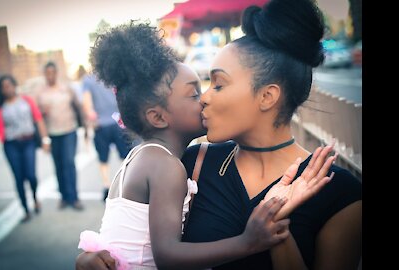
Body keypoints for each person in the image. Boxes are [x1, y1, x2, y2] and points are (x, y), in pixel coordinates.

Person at [75, 21, 336, 270]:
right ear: (157, 117)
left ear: (268, 96)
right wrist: (247, 242)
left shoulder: (143, 158)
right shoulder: (172, 166)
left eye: (217, 85)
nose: (205, 99)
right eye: (194, 94)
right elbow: (166, 255)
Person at [0, 74, 50, 222]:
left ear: (15, 86)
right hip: (11, 145)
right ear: (1, 90)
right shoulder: (0, 108)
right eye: (4, 87)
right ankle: (25, 209)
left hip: (28, 142)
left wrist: (45, 139)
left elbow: (38, 119)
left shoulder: (26, 100)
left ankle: (35, 198)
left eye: (9, 85)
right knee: (19, 178)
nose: (7, 89)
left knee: (31, 175)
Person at [34, 61, 84, 210]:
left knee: (69, 162)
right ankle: (64, 197)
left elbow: (78, 106)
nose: (50, 76)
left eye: (52, 72)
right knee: (58, 165)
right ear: (44, 75)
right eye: (47, 73)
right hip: (52, 134)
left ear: (56, 73)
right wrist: (43, 113)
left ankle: (74, 198)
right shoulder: (40, 92)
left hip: (69, 130)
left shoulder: (66, 88)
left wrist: (85, 125)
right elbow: (37, 115)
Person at [81, 72, 133, 201]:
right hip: (118, 122)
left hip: (101, 125)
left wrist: (91, 116)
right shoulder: (114, 74)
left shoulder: (88, 80)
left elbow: (86, 103)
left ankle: (106, 185)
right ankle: (125, 185)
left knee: (103, 159)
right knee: (125, 157)